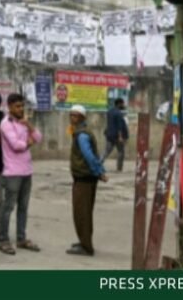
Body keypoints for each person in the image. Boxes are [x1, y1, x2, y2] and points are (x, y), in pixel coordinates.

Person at [0, 93, 41, 255]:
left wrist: (29, 125)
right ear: (9, 107)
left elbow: (39, 136)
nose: (20, 109)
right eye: (17, 106)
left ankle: (21, 238)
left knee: (23, 207)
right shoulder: (5, 124)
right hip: (12, 172)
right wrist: (30, 142)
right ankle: (3, 240)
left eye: (22, 106)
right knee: (8, 207)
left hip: (26, 170)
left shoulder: (23, 123)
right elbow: (16, 145)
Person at [67, 105, 107, 257]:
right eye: (71, 115)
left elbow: (89, 156)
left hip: (84, 179)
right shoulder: (80, 132)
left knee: (81, 213)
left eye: (76, 116)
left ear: (82, 118)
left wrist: (99, 172)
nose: (72, 118)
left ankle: (86, 247)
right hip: (85, 178)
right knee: (85, 212)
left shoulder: (82, 135)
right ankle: (84, 241)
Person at [103, 97, 129, 173]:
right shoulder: (118, 113)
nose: (123, 105)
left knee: (106, 152)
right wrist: (120, 136)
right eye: (122, 103)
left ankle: (98, 164)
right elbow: (119, 126)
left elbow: (110, 124)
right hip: (117, 136)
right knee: (121, 152)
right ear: (119, 104)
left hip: (109, 135)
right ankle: (119, 168)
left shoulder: (109, 112)